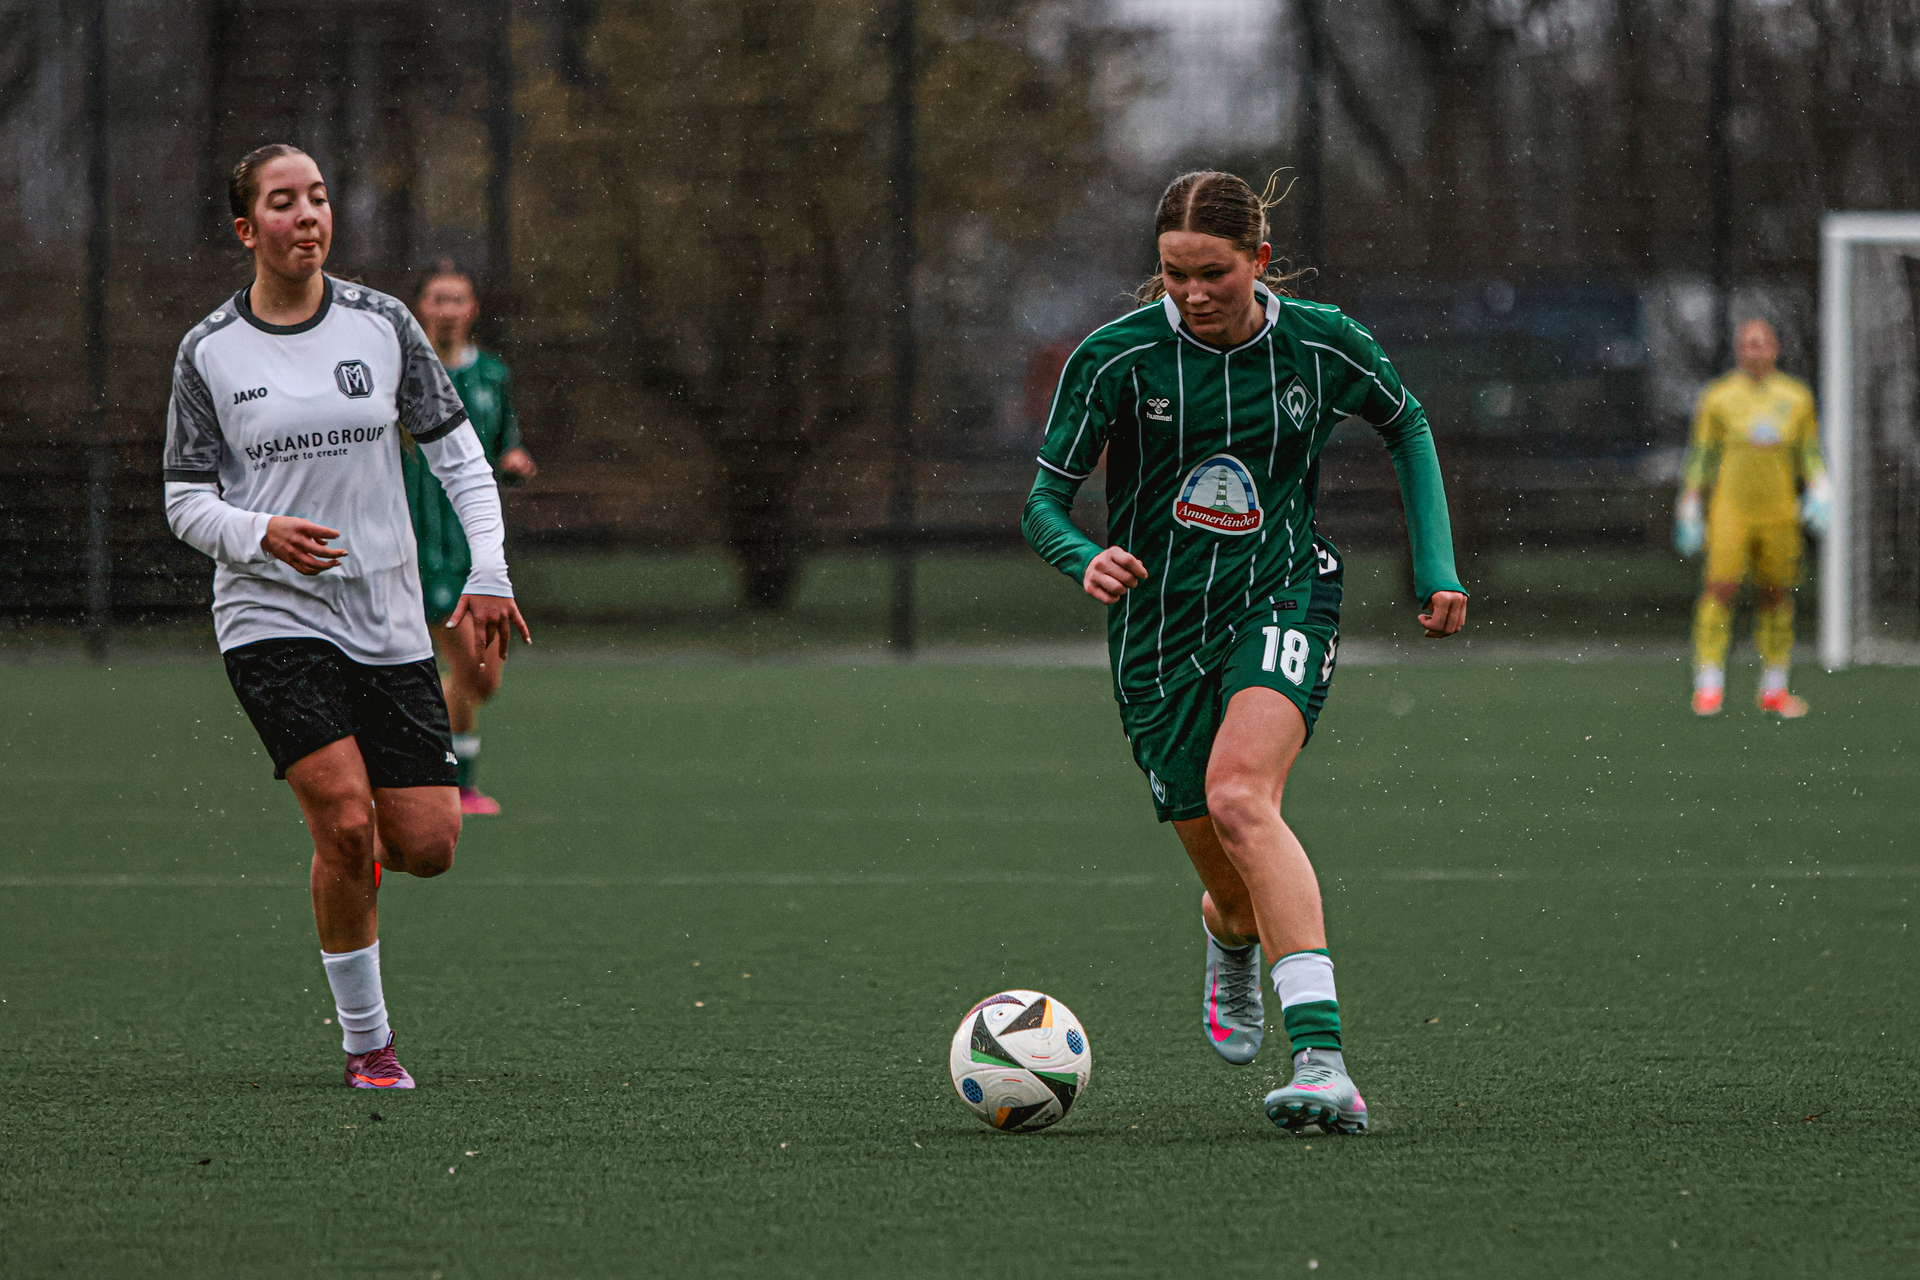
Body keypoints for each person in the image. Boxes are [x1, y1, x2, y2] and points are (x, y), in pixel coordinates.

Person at [1022, 171, 1466, 1135]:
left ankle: (1322, 1062)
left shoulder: (1320, 343)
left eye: (1212, 273)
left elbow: (1406, 422)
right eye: (1173, 273)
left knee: (1239, 797)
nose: (1190, 293)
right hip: (1158, 634)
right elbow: (1043, 503)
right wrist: (1082, 555)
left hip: (1284, 594)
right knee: (1228, 883)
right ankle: (1227, 934)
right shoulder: (1115, 359)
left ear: (1259, 260)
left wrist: (1434, 561)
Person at [162, 143, 531, 1089]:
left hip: (386, 617)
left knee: (428, 846)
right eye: (284, 202)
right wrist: (260, 533)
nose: (308, 216)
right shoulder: (210, 351)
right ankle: (369, 1044)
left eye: (319, 198)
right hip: (270, 617)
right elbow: (184, 501)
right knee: (345, 823)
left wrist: (490, 570)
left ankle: (345, 859)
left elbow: (460, 459)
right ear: (247, 229)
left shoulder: (384, 324)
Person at [406, 263, 537, 815]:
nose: (447, 310)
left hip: (474, 551)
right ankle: (451, 784)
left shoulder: (491, 374)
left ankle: (428, 749)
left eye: (457, 299)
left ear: (473, 310)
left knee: (482, 681)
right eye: (438, 299)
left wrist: (514, 460)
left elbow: (507, 441)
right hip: (417, 546)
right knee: (464, 667)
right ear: (421, 307)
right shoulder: (401, 373)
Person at [1673, 318, 1828, 718]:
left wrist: (1819, 487)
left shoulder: (1796, 396)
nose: (1754, 351)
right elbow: (1702, 453)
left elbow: (1809, 450)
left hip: (1778, 511)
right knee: (1720, 588)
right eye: (1747, 344)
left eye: (1761, 344)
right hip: (1731, 509)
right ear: (1738, 350)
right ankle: (1708, 685)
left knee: (1776, 594)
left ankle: (1774, 688)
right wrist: (1689, 501)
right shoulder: (1718, 397)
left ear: (1774, 348)